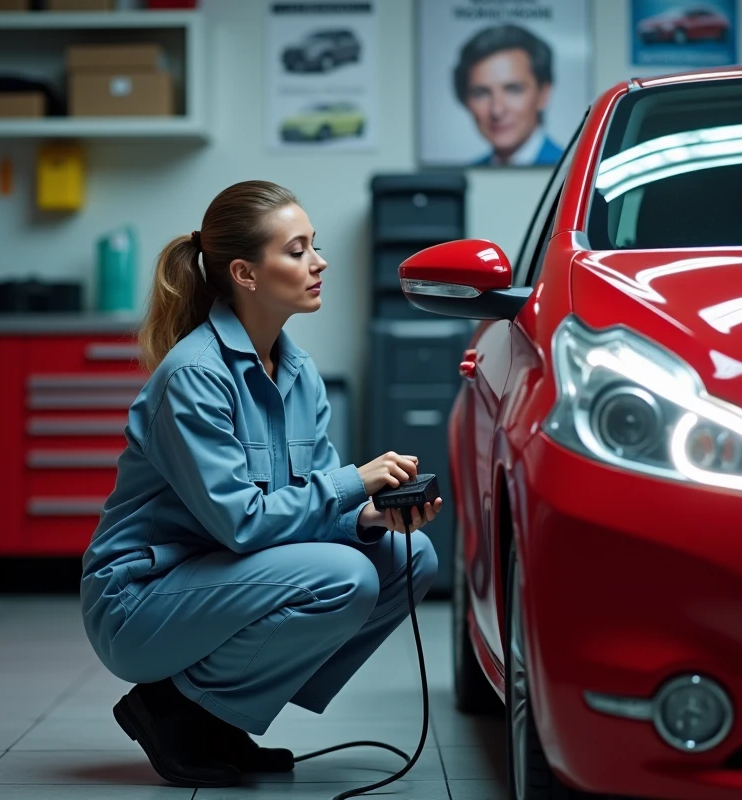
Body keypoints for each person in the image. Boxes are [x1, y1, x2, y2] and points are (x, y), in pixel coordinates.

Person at [80, 180, 442, 788]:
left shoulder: (298, 374)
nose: (319, 262)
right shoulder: (195, 377)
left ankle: (216, 717)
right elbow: (244, 523)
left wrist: (368, 518)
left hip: (227, 578)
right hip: (141, 600)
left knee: (410, 558)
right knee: (344, 576)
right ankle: (170, 708)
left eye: (314, 247)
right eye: (297, 250)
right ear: (246, 274)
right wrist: (353, 482)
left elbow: (308, 510)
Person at [453, 24, 564, 167]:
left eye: (513, 90)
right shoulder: (473, 169)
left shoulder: (570, 168)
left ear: (543, 94)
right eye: (481, 93)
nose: (497, 110)